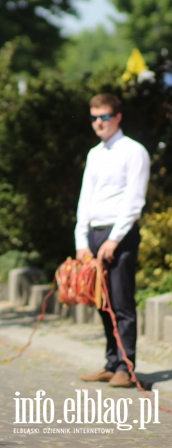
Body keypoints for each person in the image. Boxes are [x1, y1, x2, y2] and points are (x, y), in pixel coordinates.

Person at [75, 93, 149, 389]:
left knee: (121, 301)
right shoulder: (95, 154)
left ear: (117, 117)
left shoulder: (134, 151)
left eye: (104, 116)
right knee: (102, 302)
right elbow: (85, 199)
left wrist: (114, 239)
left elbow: (134, 200)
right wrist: (82, 240)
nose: (98, 123)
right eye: (94, 117)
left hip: (120, 233)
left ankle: (126, 366)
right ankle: (110, 362)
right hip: (95, 233)